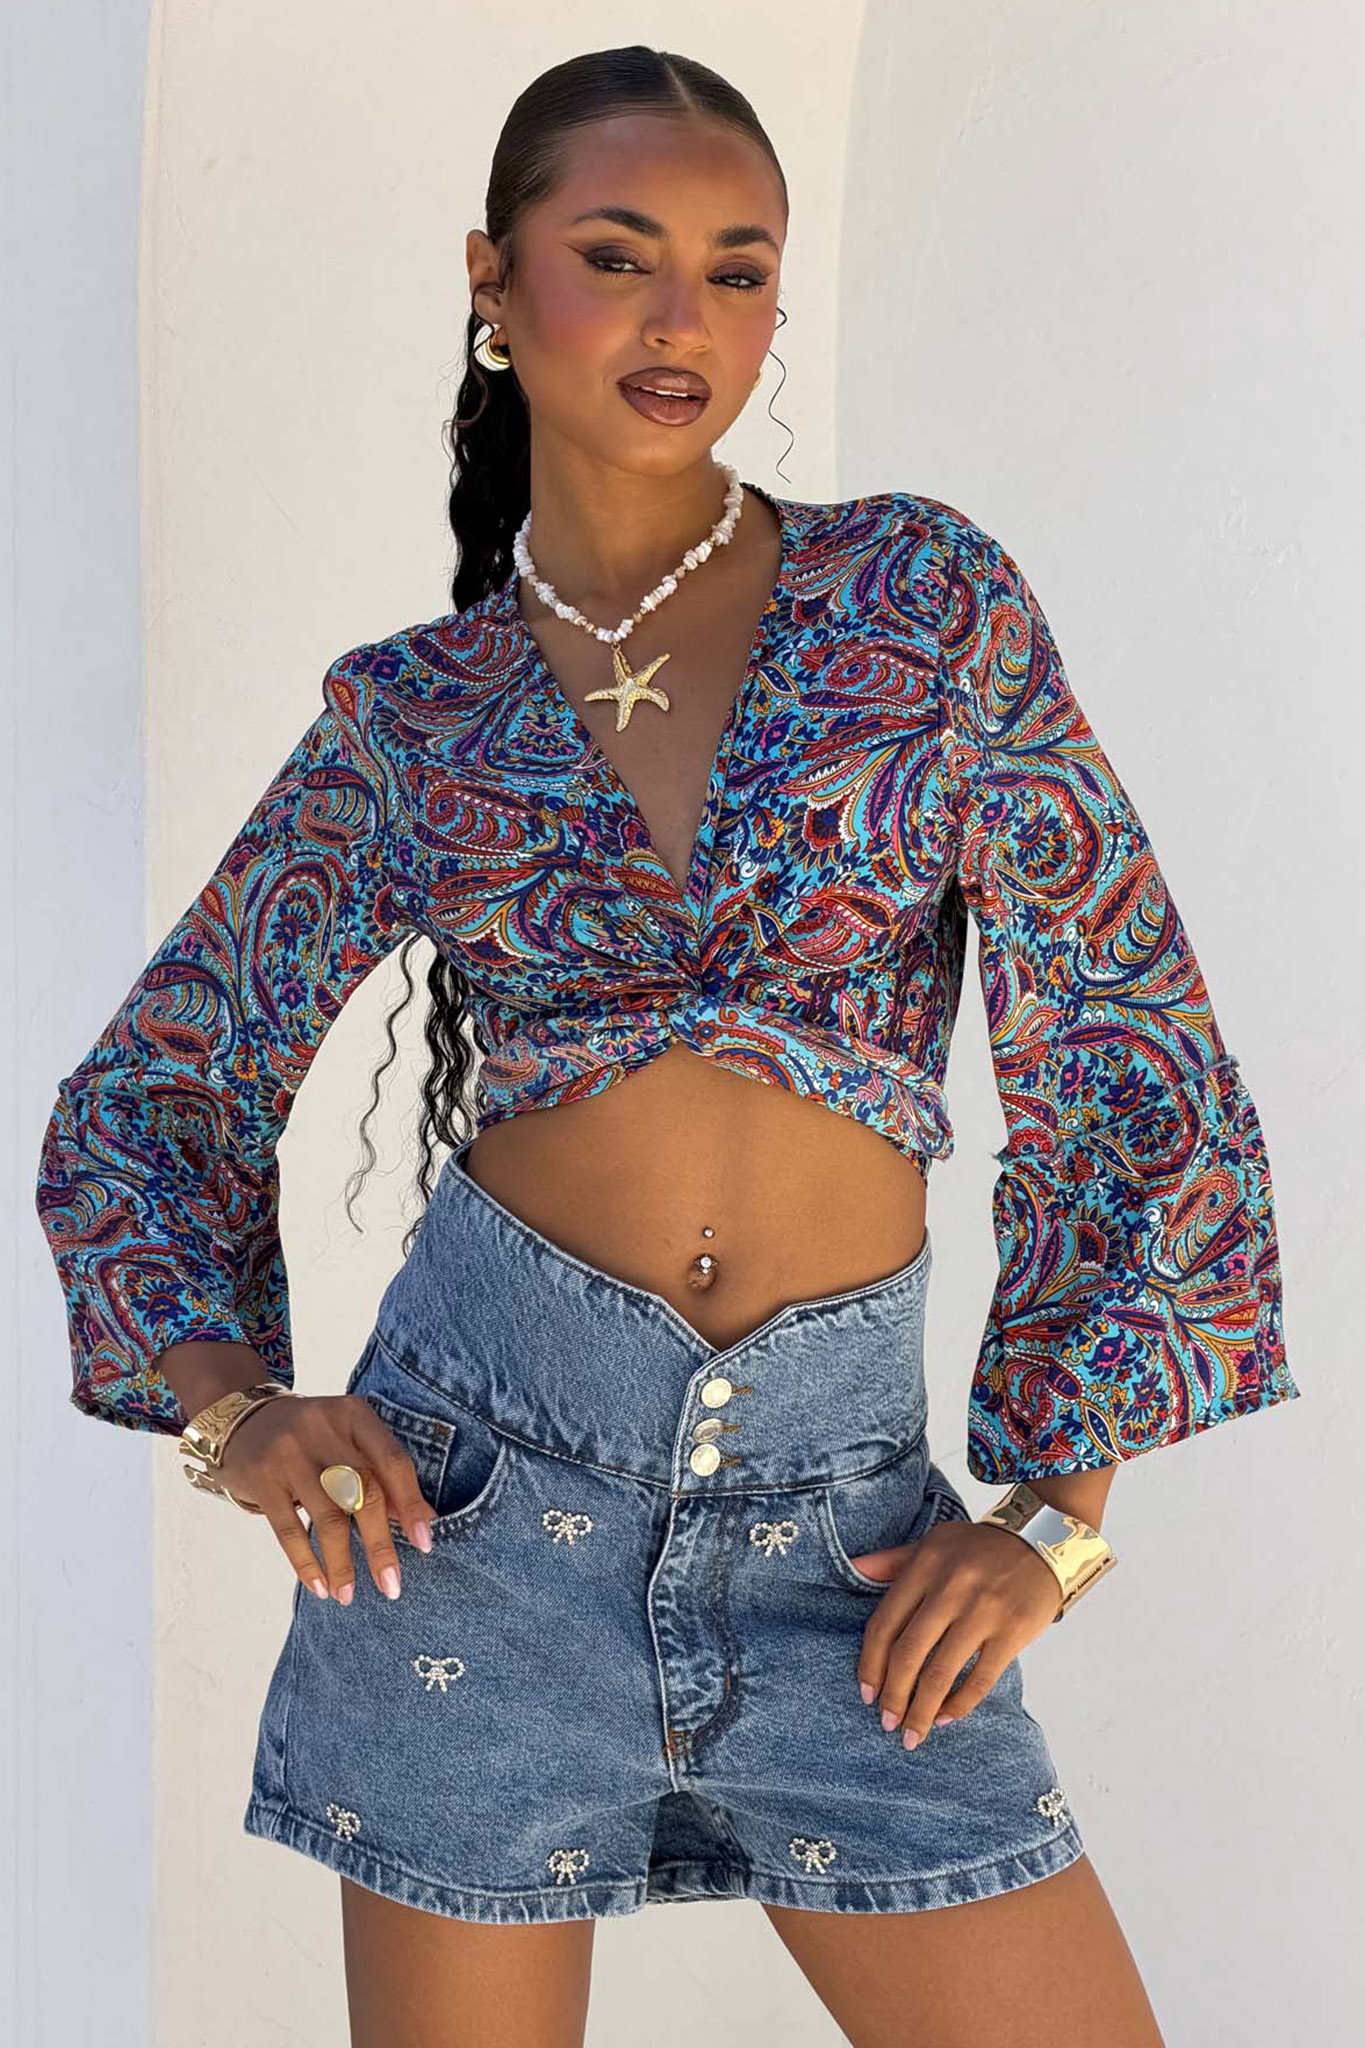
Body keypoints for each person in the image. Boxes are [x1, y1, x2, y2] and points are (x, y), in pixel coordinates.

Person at [33, 43, 1298, 2048]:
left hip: (848, 1560)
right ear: (491, 278)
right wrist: (231, 1411)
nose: (680, 319)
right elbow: (152, 1099)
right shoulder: (414, 716)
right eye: (616, 257)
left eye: (735, 269)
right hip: (469, 1542)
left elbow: (1125, 1036)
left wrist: (1057, 1519)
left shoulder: (922, 599)